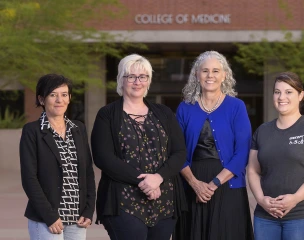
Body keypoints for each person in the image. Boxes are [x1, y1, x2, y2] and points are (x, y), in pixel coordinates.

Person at [91, 54, 187, 240]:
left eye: (142, 77)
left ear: (148, 80)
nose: (137, 82)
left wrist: (158, 177)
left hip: (163, 198)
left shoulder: (164, 113)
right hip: (123, 199)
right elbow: (103, 157)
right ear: (121, 80)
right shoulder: (107, 115)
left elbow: (179, 152)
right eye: (131, 77)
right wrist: (145, 182)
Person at [175, 50, 254, 240]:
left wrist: (213, 184)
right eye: (205, 71)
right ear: (196, 74)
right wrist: (195, 184)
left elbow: (242, 151)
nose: (210, 76)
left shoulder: (236, 106)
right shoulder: (185, 108)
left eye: (216, 71)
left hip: (228, 184)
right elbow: (176, 151)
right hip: (192, 185)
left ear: (224, 75)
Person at [247, 72, 304, 240]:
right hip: (265, 217)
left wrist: (295, 199)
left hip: (303, 215)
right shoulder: (262, 131)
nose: (281, 97)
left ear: (300, 95)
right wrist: (261, 199)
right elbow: (252, 170)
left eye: (288, 92)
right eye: (277, 92)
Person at [19, 74, 96, 240]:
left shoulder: (78, 129)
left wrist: (89, 210)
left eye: (64, 94)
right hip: (47, 220)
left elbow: (87, 172)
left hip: (77, 218)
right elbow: (29, 178)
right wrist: (50, 216)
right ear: (41, 99)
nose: (59, 100)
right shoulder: (32, 131)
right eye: (53, 95)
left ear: (69, 98)